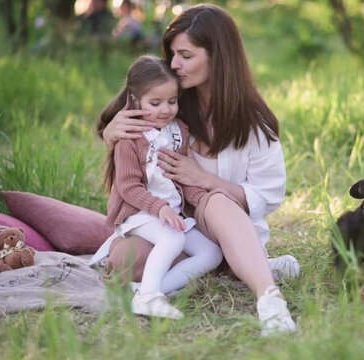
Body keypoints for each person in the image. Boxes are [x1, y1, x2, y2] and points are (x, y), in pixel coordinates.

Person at [98, 4, 299, 336]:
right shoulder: (164, 98)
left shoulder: (253, 122)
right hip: (167, 221)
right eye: (172, 54)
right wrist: (110, 134)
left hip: (218, 220)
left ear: (217, 57)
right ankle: (244, 266)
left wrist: (205, 180)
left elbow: (270, 195)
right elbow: (120, 144)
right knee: (124, 262)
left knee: (216, 199)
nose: (174, 64)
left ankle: (269, 299)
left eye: (186, 56)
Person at [90, 55, 223, 319]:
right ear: (136, 99)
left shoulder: (178, 132)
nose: (165, 109)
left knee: (211, 252)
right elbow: (127, 187)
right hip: (139, 213)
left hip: (169, 213)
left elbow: (180, 177)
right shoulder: (130, 136)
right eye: (155, 103)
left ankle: (149, 291)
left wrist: (206, 201)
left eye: (172, 101)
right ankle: (149, 297)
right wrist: (159, 207)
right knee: (173, 238)